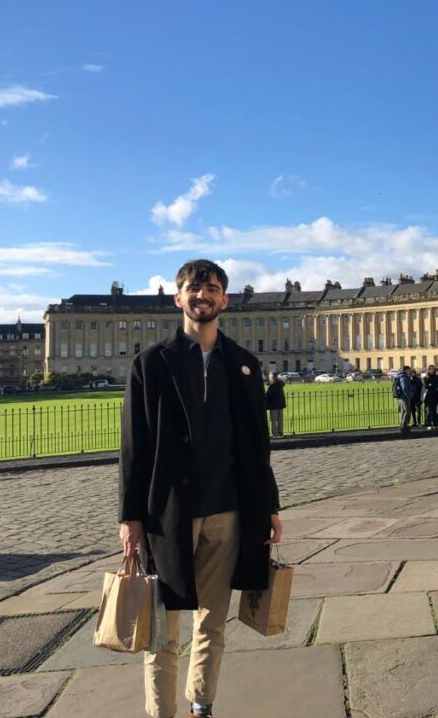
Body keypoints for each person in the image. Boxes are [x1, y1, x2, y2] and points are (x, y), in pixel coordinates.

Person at [118, 259, 282, 718]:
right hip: (167, 516)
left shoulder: (244, 365)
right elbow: (133, 448)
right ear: (179, 298)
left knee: (213, 621)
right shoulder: (150, 365)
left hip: (227, 513)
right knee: (163, 628)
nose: (202, 295)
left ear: (224, 300)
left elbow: (256, 446)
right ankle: (161, 712)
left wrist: (269, 507)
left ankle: (201, 704)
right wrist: (129, 518)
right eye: (194, 288)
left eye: (211, 288)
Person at [394, 365, 414, 435]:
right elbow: (404, 388)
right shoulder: (403, 377)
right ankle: (403, 426)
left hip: (403, 397)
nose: (410, 371)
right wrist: (408, 395)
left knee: (403, 411)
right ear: (406, 370)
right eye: (409, 370)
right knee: (407, 412)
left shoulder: (403, 376)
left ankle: (403, 425)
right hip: (405, 397)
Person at [265, 371, 286, 437]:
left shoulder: (272, 386)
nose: (269, 377)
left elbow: (267, 395)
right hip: (280, 404)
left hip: (274, 405)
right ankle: (280, 432)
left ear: (272, 377)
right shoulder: (280, 384)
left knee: (273, 420)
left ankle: (275, 434)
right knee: (280, 420)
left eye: (270, 376)